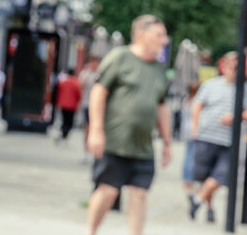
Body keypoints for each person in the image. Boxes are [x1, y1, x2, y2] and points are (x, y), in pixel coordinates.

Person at [84, 15, 173, 235]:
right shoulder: (119, 57)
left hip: (143, 146)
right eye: (159, 35)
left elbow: (161, 107)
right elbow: (98, 91)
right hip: (115, 142)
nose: (164, 40)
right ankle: (91, 231)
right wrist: (95, 130)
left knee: (140, 194)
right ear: (141, 35)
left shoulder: (160, 69)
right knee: (108, 191)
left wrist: (167, 142)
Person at [188, 51, 247, 224]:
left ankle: (197, 199)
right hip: (207, 135)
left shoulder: (246, 88)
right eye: (230, 66)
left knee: (221, 175)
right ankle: (210, 208)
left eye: (236, 67)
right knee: (205, 176)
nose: (232, 70)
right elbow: (197, 104)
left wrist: (237, 116)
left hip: (229, 140)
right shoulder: (211, 85)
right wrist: (195, 126)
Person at [177, 80, 199, 207]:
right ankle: (189, 179)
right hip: (193, 130)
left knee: (188, 155)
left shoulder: (186, 100)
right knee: (191, 156)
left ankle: (187, 178)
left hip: (186, 129)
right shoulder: (195, 101)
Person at [58, 71, 84, 141]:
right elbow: (79, 94)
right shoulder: (76, 83)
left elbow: (58, 92)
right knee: (69, 121)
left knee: (64, 119)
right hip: (72, 105)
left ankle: (63, 131)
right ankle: (65, 133)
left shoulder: (63, 82)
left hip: (63, 104)